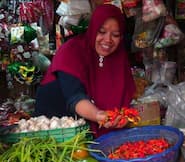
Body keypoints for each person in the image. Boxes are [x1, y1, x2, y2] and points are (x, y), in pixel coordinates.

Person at [34, 4, 136, 138]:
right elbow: (75, 97)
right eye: (101, 32)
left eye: (115, 35)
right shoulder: (71, 51)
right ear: (93, 29)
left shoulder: (119, 58)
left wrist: (121, 118)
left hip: (93, 133)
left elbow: (124, 99)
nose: (108, 40)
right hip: (56, 130)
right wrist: (99, 116)